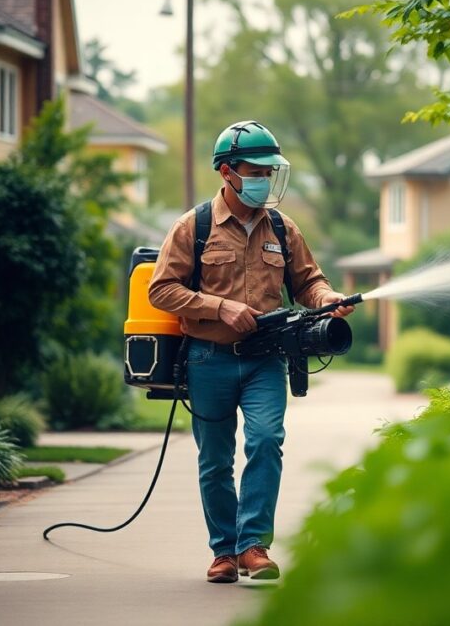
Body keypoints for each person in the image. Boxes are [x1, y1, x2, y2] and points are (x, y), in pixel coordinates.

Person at [148, 120, 354, 583]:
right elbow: (161, 290)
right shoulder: (193, 227)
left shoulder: (282, 227)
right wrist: (219, 307)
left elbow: (309, 281)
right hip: (208, 359)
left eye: (269, 170)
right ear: (227, 172)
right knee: (215, 460)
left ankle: (253, 546)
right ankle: (224, 552)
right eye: (255, 170)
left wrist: (327, 300)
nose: (265, 178)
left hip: (266, 360)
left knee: (265, 442)